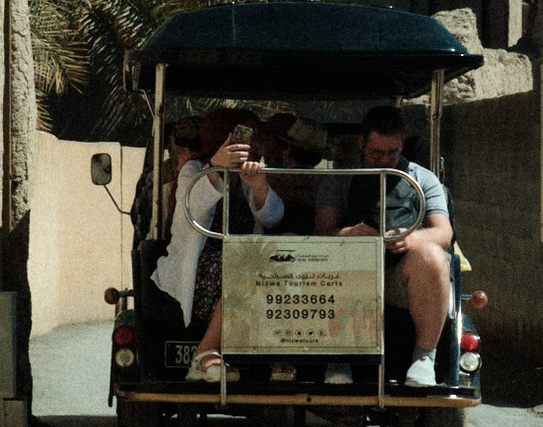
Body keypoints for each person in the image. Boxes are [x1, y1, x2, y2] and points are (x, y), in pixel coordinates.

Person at [314, 104, 454, 388]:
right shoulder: (340, 179)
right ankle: (339, 356)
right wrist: (348, 233)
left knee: (433, 255)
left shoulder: (424, 179)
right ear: (361, 143)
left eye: (393, 153)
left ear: (402, 144)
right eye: (377, 153)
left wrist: (412, 238)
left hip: (399, 277)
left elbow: (443, 232)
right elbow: (321, 232)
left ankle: (424, 357)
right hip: (349, 276)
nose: (386, 160)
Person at [150, 108, 283, 383]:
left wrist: (259, 186)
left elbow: (273, 218)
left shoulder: (247, 177)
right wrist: (215, 167)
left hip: (245, 265)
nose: (252, 144)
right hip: (201, 271)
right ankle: (206, 351)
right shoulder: (195, 169)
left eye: (254, 136)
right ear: (221, 137)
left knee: (281, 258)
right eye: (242, 136)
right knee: (244, 263)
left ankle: (282, 354)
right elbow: (192, 209)